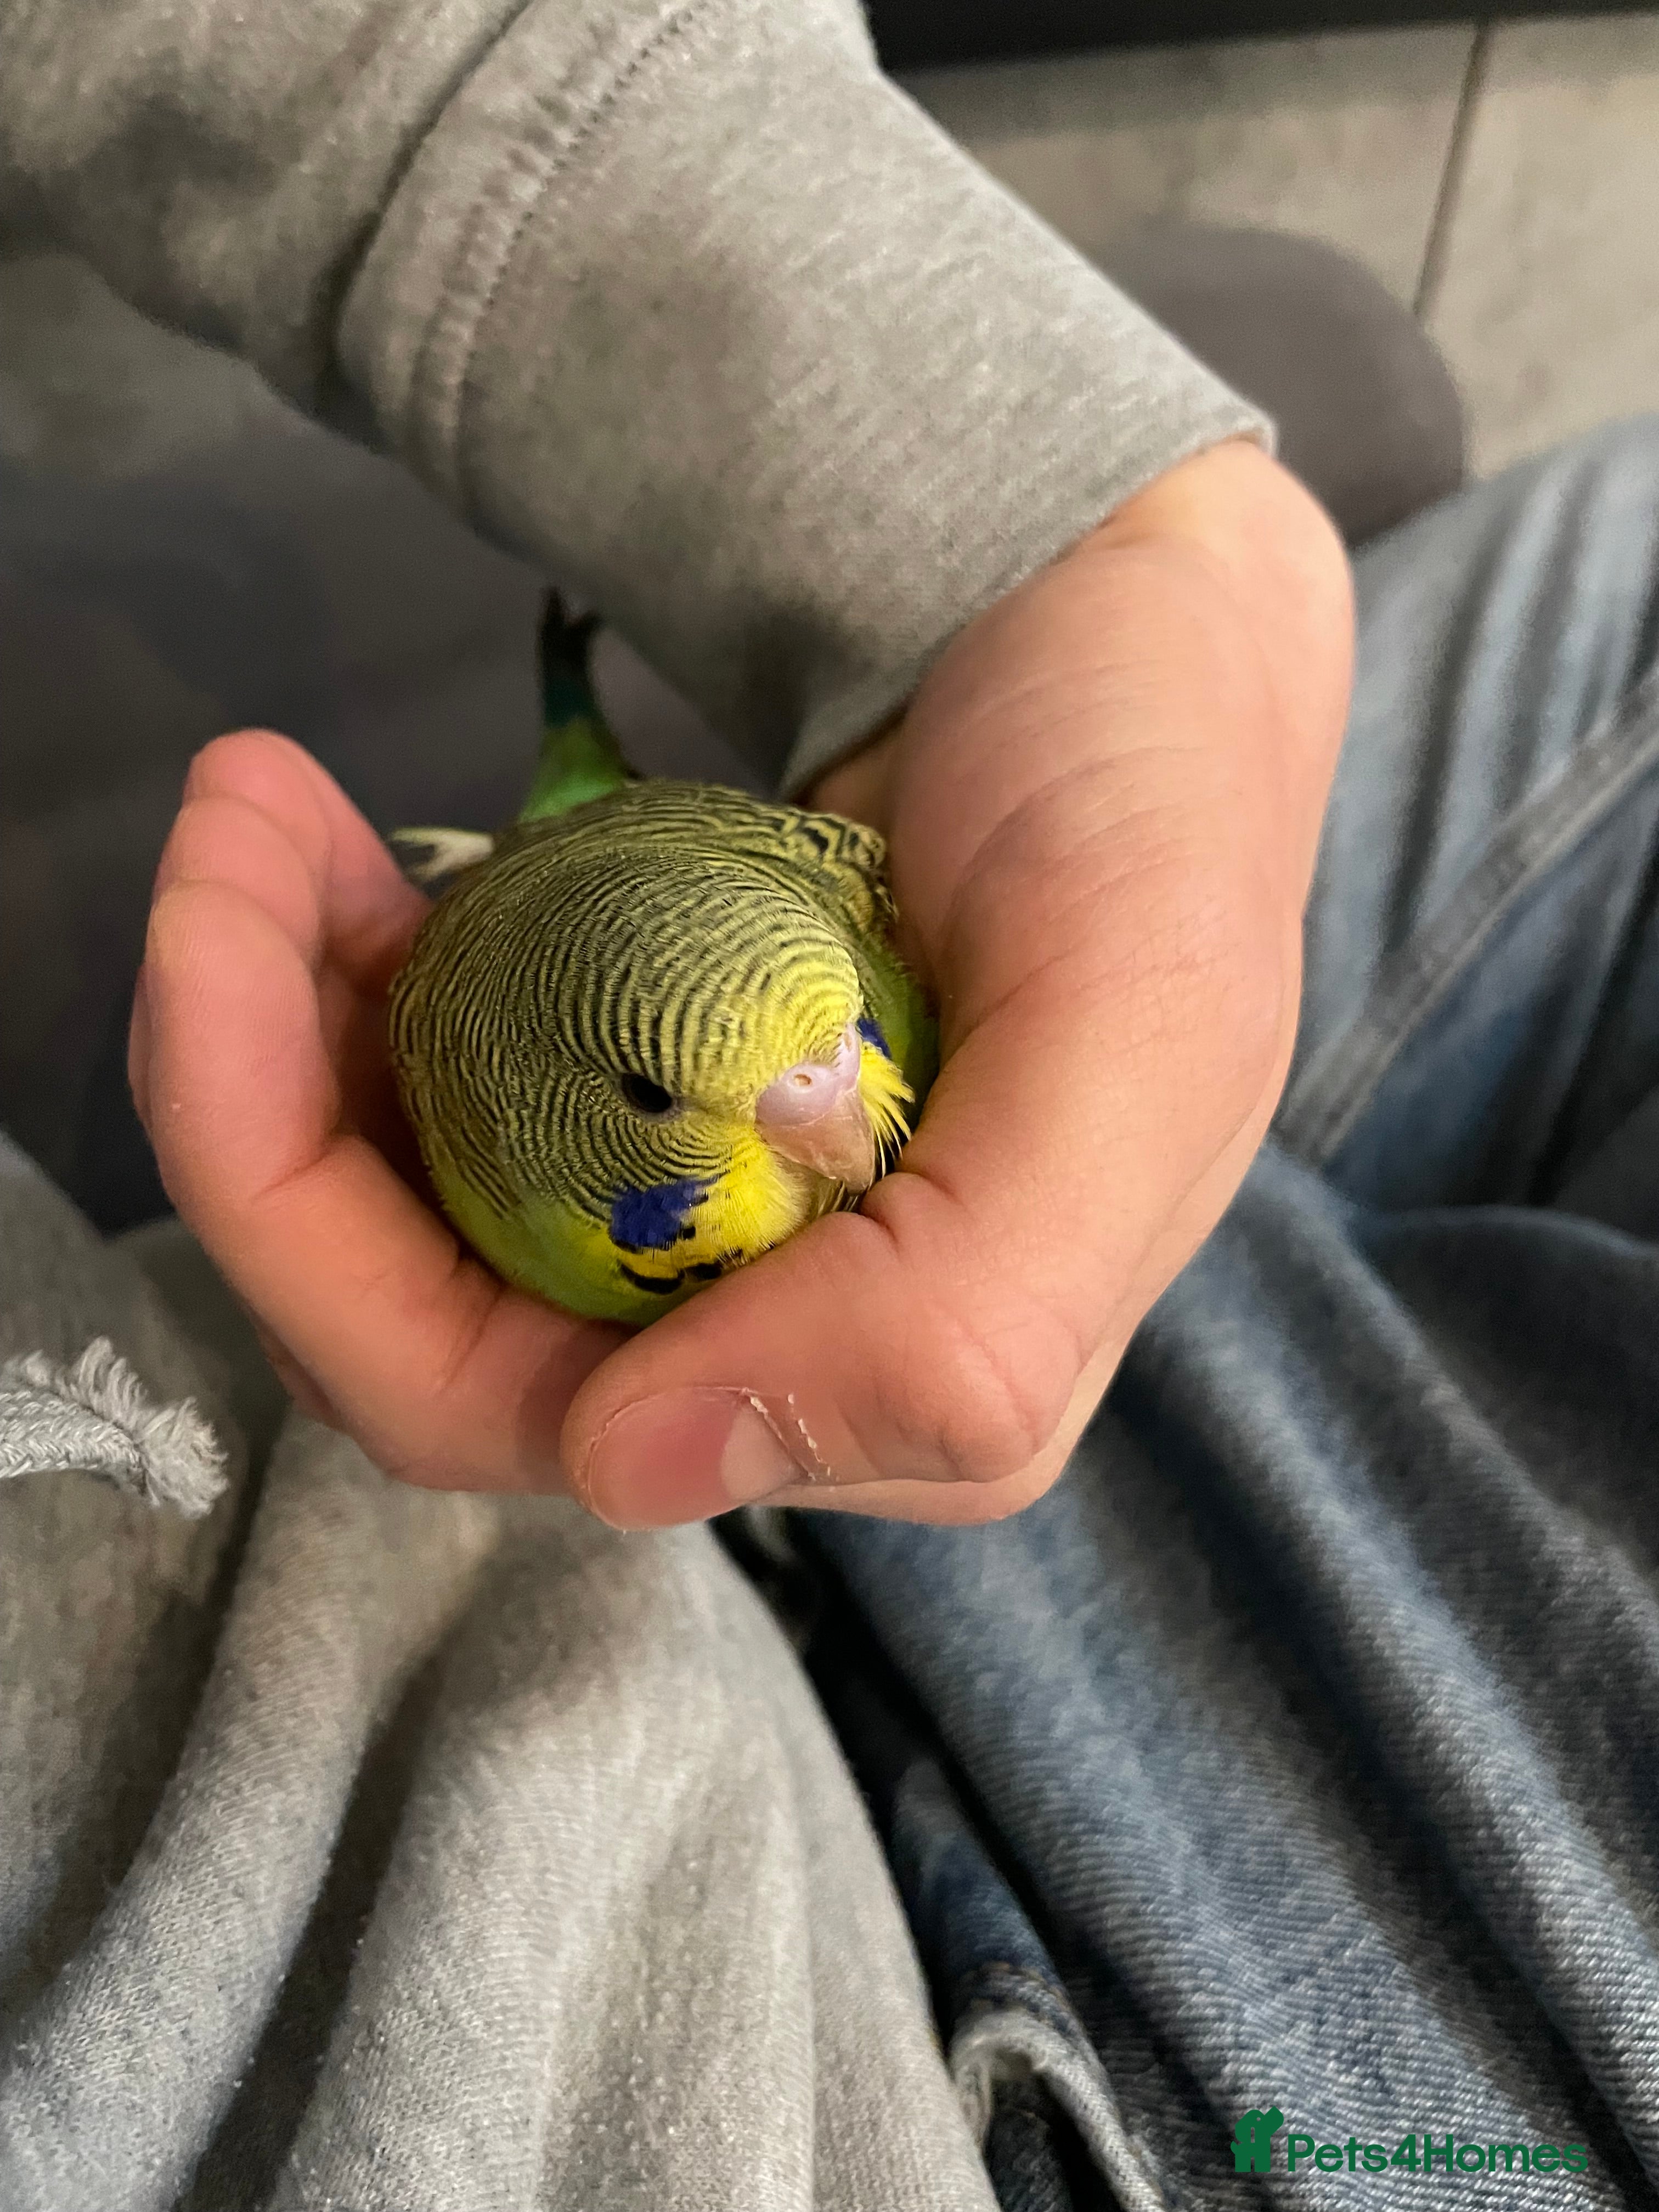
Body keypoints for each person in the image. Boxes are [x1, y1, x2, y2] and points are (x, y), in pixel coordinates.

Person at [2, 3, 1655, 2209]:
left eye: (848, 1060)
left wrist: (1128, 551)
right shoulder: (547, 1116)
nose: (843, 1111)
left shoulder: (832, 1007)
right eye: (815, 1082)